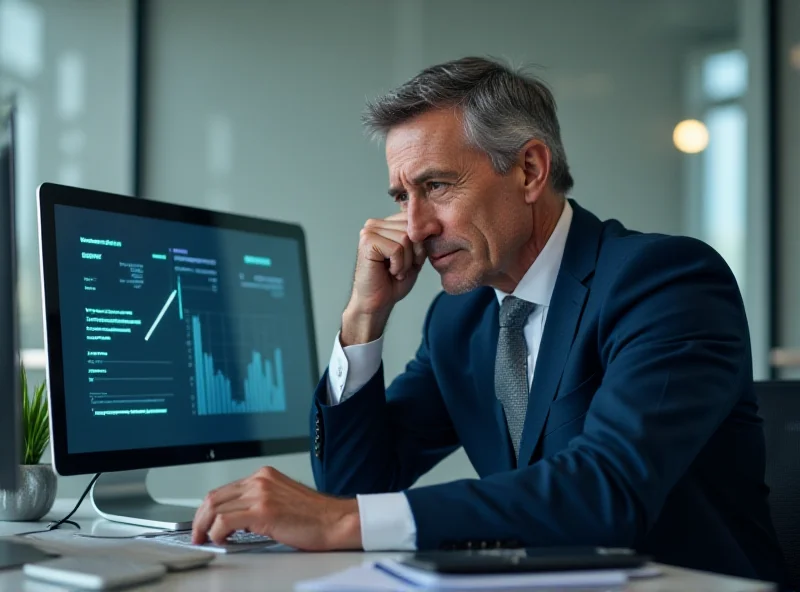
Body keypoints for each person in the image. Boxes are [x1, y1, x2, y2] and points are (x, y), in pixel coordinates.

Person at [191, 56, 785, 582]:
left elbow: (607, 491)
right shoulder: (461, 321)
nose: (416, 225)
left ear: (529, 170)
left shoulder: (665, 279)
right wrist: (363, 317)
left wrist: (341, 520)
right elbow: (355, 487)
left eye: (438, 185)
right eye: (402, 197)